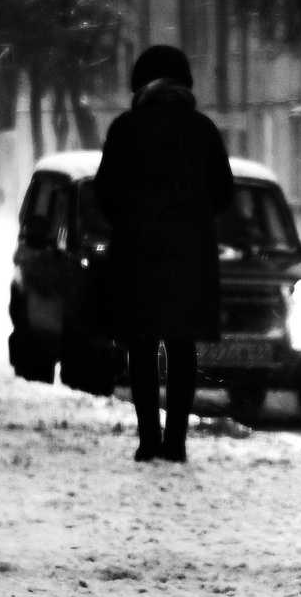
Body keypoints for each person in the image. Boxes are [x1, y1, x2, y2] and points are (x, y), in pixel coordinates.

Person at [94, 45, 233, 463]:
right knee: (182, 347)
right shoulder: (203, 129)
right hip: (190, 257)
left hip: (137, 254)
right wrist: (192, 217)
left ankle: (147, 440)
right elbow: (223, 192)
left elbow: (105, 191)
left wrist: (132, 220)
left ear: (140, 86)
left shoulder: (126, 128)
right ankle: (176, 443)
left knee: (141, 349)